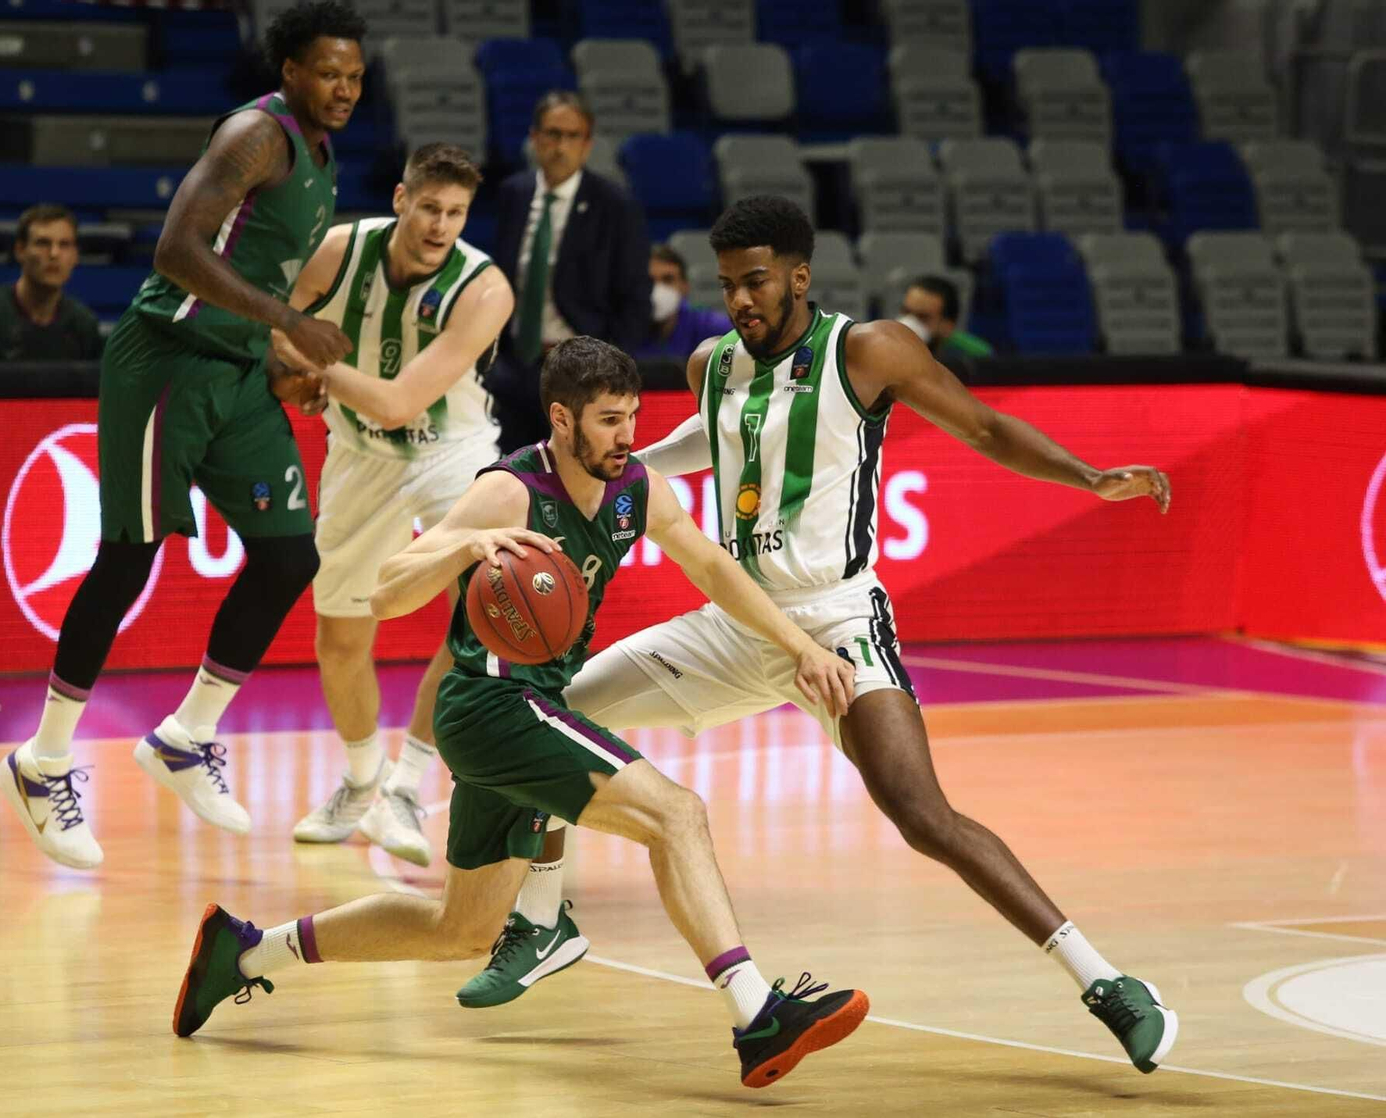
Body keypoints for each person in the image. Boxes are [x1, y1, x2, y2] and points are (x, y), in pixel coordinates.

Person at [463, 197, 1181, 1077]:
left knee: (920, 814)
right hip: (737, 626)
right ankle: (541, 923)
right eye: (727, 285)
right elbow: (705, 444)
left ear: (799, 275)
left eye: (756, 281)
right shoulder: (709, 363)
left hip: (837, 620)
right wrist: (558, 467)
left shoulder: (866, 350)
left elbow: (983, 425)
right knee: (547, 715)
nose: (740, 300)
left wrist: (1085, 475)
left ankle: (1107, 983)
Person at [173, 336, 870, 1090]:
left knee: (460, 929)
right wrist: (466, 542)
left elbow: (710, 566)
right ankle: (755, 1014)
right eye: (608, 420)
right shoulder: (510, 489)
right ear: (562, 420)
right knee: (677, 814)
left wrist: (802, 646)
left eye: (632, 417)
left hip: (523, 710)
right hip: (493, 701)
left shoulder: (638, 488)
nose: (626, 435)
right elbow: (386, 591)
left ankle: (241, 953)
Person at [0, 0, 367, 870]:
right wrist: (288, 320)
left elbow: (250, 265)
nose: (343, 88)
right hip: (166, 359)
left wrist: (277, 352)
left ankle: (184, 737)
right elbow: (176, 250)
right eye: (327, 72)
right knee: (129, 556)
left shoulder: (319, 149)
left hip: (235, 372)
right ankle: (42, 762)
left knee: (287, 557)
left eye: (354, 76)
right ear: (289, 72)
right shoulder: (256, 136)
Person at [265, 142, 512, 866]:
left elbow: (405, 401)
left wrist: (312, 366)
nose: (441, 224)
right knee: (339, 632)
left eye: (456, 212)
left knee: (478, 617)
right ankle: (362, 781)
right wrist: (288, 364)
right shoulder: (339, 251)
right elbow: (271, 320)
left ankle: (408, 786)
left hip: (453, 452)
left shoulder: (484, 288)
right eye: (430, 207)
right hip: (358, 455)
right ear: (401, 199)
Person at [488, 91, 650, 452]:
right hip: (513, 366)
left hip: (580, 371)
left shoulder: (615, 205)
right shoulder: (513, 193)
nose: (560, 145)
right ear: (534, 138)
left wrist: (611, 372)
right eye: (552, 133)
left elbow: (635, 298)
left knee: (574, 479)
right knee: (508, 475)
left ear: (588, 144)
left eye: (572, 136)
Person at [0, 203, 104, 361]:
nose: (54, 254)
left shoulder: (84, 325)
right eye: (43, 243)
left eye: (64, 245)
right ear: (20, 250)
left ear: (75, 255)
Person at [634, 243, 731, 362]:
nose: (657, 289)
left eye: (668, 280)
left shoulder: (711, 326)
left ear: (685, 286)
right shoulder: (620, 329)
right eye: (649, 281)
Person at [897, 275, 993, 363]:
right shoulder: (886, 347)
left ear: (948, 326)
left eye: (922, 317)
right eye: (905, 311)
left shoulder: (976, 356)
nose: (908, 322)